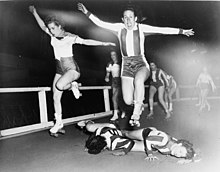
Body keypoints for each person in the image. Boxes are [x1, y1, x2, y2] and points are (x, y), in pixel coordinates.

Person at [77, 3, 194, 127]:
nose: (128, 20)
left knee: (139, 81)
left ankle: (137, 112)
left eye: (130, 17)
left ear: (135, 19)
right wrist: (86, 12)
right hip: (126, 66)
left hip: (141, 64)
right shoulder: (119, 28)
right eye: (125, 17)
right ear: (122, 19)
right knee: (127, 101)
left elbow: (162, 30)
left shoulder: (141, 28)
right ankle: (138, 104)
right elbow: (101, 23)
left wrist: (181, 31)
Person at [29, 6, 115, 137]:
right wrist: (35, 12)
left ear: (60, 27)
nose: (51, 31)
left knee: (59, 85)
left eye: (53, 28)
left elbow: (86, 41)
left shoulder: (70, 37)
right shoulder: (52, 35)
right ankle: (59, 122)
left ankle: (74, 84)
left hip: (71, 69)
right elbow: (42, 26)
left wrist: (103, 44)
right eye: (50, 29)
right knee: (55, 97)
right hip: (59, 68)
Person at [77, 120, 198, 163]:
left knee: (130, 142)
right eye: (181, 152)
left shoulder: (176, 145)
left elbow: (192, 153)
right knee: (127, 134)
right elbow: (149, 140)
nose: (178, 154)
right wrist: (150, 154)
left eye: (180, 155)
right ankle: (116, 128)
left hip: (153, 142)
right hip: (147, 134)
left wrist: (189, 158)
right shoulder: (165, 140)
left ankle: (112, 134)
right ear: (180, 144)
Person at [105, 49, 125, 121]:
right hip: (114, 81)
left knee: (114, 97)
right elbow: (107, 74)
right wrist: (106, 77)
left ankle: (115, 115)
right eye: (111, 55)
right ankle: (123, 110)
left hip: (121, 81)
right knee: (116, 99)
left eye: (114, 54)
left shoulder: (121, 63)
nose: (113, 56)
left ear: (117, 55)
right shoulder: (109, 64)